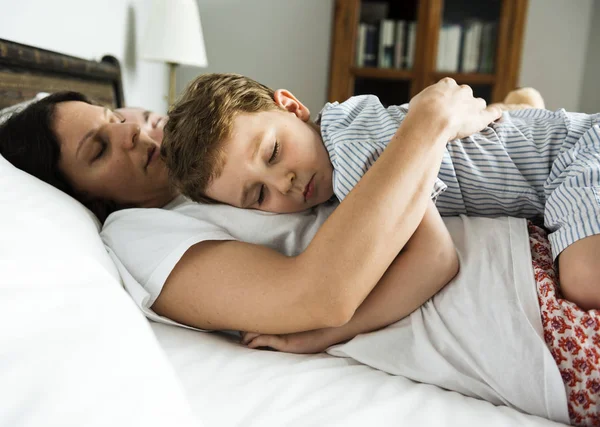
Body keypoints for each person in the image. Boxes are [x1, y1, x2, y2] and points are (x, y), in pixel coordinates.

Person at [0, 81, 597, 424]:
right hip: (530, 317)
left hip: (540, 239)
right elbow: (318, 295)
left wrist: (461, 120)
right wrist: (429, 123)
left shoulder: (234, 163)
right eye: (98, 148)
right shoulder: (136, 233)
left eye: (113, 116)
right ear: (84, 198)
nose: (130, 131)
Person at [162, 73, 600, 313]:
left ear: (293, 107)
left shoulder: (354, 158)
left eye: (274, 152)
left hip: (576, 152)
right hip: (550, 156)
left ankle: (518, 107)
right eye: (258, 196)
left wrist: (327, 334)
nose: (284, 184)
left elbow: (435, 261)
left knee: (583, 279)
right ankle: (517, 106)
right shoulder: (340, 123)